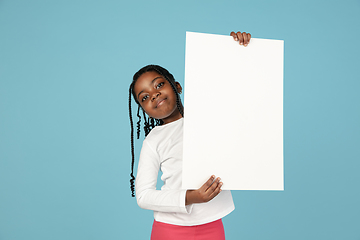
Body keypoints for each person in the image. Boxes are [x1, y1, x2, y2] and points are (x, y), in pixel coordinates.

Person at [128, 31, 251, 240]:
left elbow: (236, 91)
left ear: (177, 86)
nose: (155, 94)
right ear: (144, 110)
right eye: (145, 97)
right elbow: (143, 196)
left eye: (159, 85)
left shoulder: (209, 117)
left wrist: (239, 49)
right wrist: (192, 197)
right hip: (169, 229)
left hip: (212, 225)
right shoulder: (153, 141)